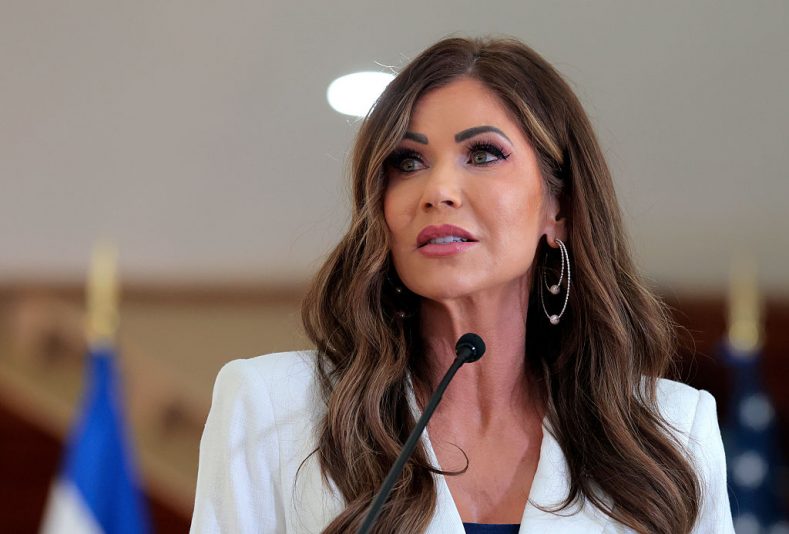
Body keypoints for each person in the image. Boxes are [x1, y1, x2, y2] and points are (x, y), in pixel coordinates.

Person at [191, 36, 734, 533]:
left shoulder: (670, 433)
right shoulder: (270, 408)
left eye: (483, 154)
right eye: (407, 162)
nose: (439, 189)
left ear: (558, 207)